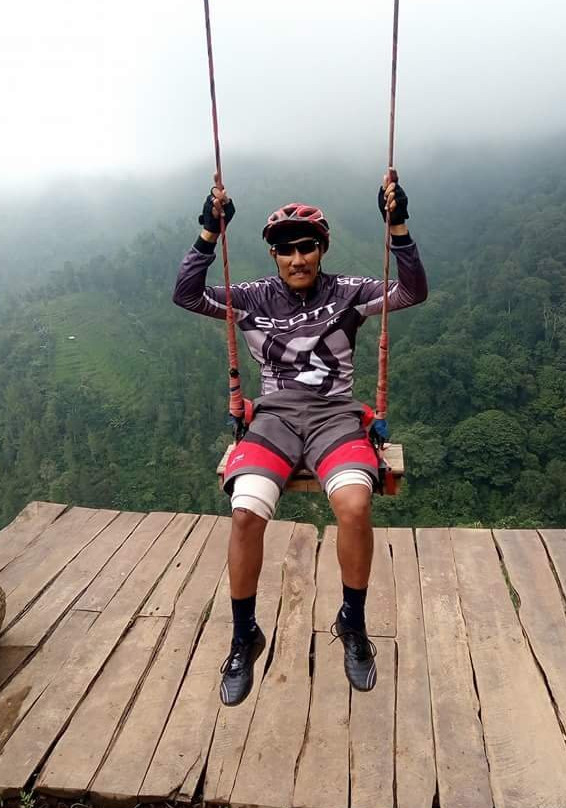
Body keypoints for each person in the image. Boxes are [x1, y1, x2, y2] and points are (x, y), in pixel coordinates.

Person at [173, 171, 428, 706]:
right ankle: (245, 634)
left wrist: (397, 226)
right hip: (274, 418)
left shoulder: (350, 293)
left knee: (356, 506)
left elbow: (412, 291)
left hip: (336, 415)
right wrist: (208, 233)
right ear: (272, 255)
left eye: (306, 247)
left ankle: (352, 624)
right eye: (285, 250)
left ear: (322, 248)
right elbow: (186, 295)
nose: (297, 259)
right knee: (245, 512)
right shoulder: (251, 298)